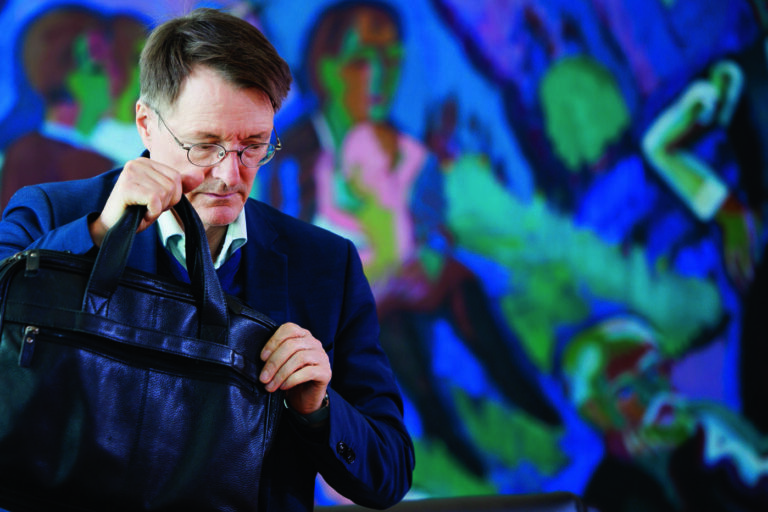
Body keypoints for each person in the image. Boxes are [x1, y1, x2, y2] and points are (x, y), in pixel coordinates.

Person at [0, 7, 414, 511]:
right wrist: (97, 235)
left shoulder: (325, 266)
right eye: (205, 145)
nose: (229, 174)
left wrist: (318, 408)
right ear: (147, 125)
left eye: (254, 146)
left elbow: (388, 473)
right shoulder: (49, 214)